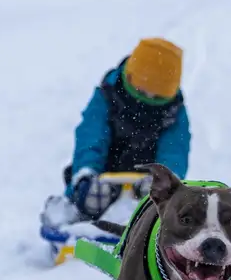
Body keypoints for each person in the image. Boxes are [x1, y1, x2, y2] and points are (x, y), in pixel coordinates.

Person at [41, 37, 191, 228]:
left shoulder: (174, 113)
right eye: (142, 92)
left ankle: (146, 222)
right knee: (85, 194)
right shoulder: (108, 95)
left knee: (160, 207)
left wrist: (165, 178)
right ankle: (74, 214)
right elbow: (91, 137)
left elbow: (175, 150)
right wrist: (87, 173)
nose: (146, 102)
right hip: (103, 174)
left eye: (156, 96)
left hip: (146, 179)